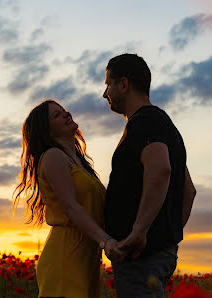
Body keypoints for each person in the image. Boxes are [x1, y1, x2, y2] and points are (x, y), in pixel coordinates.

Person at [102, 53, 197, 297]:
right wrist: (167, 238)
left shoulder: (144, 122)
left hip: (140, 260)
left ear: (124, 84)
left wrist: (140, 232)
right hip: (154, 255)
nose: (105, 94)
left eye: (107, 85)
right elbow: (189, 191)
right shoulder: (165, 125)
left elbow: (160, 169)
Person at [13, 99, 126, 298]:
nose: (66, 114)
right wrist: (105, 240)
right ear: (47, 131)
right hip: (66, 255)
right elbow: (71, 207)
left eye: (63, 110)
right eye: (57, 115)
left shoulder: (78, 162)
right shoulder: (53, 157)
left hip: (86, 256)